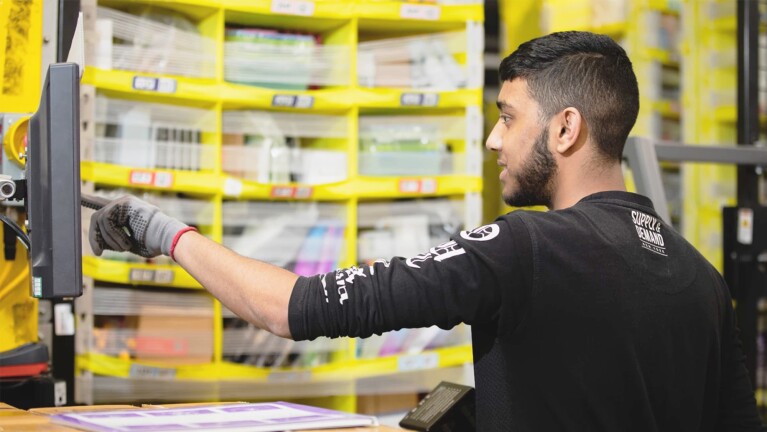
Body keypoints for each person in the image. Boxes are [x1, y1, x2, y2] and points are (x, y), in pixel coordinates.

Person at [89, 31, 763, 431]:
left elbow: (291, 308)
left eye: (507, 116)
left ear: (564, 128)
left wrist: (161, 232)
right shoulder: (699, 278)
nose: (493, 138)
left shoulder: (523, 246)